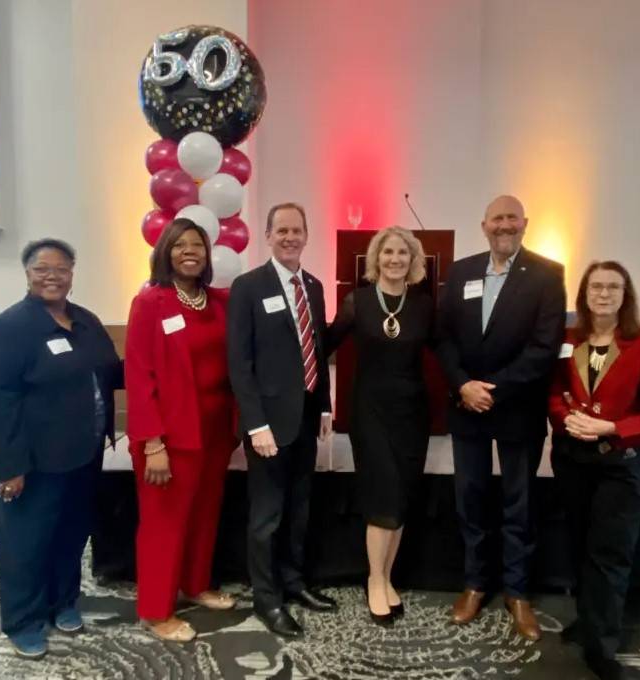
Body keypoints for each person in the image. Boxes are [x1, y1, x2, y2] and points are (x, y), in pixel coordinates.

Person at [0, 239, 123, 659]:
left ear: (73, 273)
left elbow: (112, 371)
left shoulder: (86, 322)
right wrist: (11, 466)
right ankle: (23, 619)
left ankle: (63, 602)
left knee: (71, 534)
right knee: (25, 540)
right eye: (42, 269)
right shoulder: (9, 329)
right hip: (32, 461)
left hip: (83, 454)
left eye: (62, 268)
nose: (52, 276)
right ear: (27, 274)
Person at [436, 195, 566, 640]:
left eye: (512, 218)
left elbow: (544, 347)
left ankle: (518, 591)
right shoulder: (461, 272)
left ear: (525, 224)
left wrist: (495, 390)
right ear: (484, 225)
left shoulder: (548, 275)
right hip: (466, 407)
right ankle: (474, 583)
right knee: (469, 499)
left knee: (520, 503)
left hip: (518, 410)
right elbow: (444, 337)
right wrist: (462, 386)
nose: (504, 225)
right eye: (497, 219)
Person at [549, 261, 640, 680]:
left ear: (626, 296)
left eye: (612, 287)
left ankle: (602, 644)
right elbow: (553, 392)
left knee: (609, 555)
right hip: (572, 461)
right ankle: (588, 621)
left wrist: (613, 428)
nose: (603, 294)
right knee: (580, 546)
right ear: (584, 294)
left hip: (620, 466)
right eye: (596, 287)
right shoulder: (567, 340)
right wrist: (565, 418)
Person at [227, 202, 337, 638]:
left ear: (306, 235)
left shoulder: (312, 285)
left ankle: (293, 582)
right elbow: (240, 362)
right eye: (282, 230)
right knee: (267, 517)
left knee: (299, 510)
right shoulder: (249, 286)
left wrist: (325, 405)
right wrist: (255, 425)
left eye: (297, 230)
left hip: (306, 421)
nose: (290, 237)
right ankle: (266, 599)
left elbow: (319, 349)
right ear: (268, 235)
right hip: (268, 426)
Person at [125, 218, 238, 642]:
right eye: (180, 245)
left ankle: (195, 584)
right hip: (169, 436)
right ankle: (156, 610)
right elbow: (139, 377)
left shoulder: (218, 301)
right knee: (163, 523)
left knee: (205, 513)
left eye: (198, 245)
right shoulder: (151, 302)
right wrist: (152, 442)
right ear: (165, 252)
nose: (190, 251)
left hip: (213, 429)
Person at [326, 226, 434, 626]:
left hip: (412, 414)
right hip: (369, 412)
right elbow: (324, 344)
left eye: (402, 253)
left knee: (401, 497)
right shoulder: (358, 301)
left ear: (412, 260)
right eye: (387, 252)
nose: (394, 259)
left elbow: (446, 350)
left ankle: (387, 577)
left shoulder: (423, 305)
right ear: (376, 258)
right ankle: (374, 579)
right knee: (382, 496)